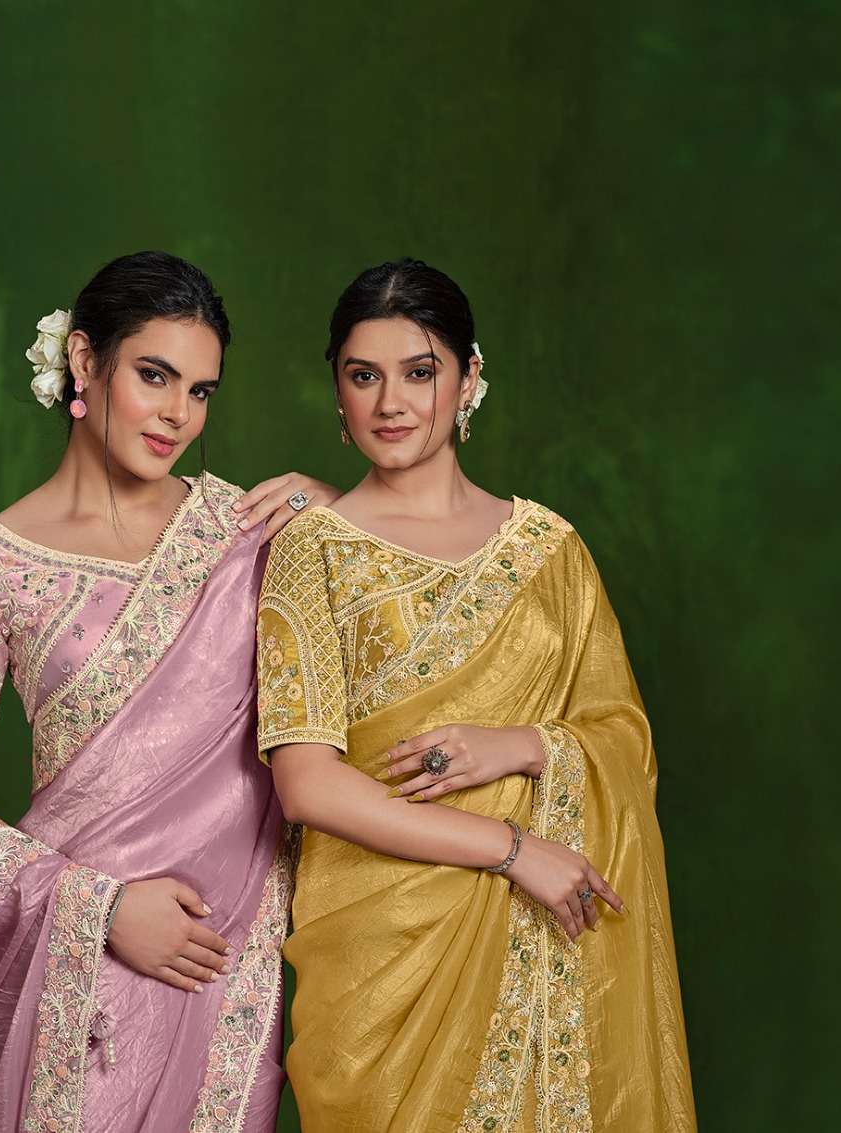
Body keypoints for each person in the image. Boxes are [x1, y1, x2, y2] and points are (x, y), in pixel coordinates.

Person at [257, 258, 697, 1131]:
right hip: (383, 960)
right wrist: (512, 849)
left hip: (548, 931)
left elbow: (623, 734)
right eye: (363, 376)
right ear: (337, 391)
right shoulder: (313, 547)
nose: (391, 402)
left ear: (468, 379)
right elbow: (306, 784)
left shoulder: (551, 549)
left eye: (419, 372)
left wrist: (526, 745)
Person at [0, 250, 339, 1130]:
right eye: (154, 375)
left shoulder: (253, 532)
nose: (179, 413)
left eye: (201, 390)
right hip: (72, 966)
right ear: (84, 359)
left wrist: (345, 519)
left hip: (224, 959)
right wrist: (101, 909)